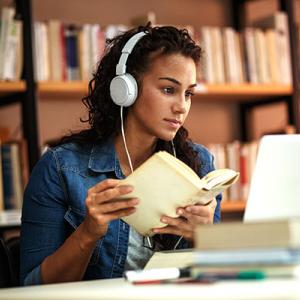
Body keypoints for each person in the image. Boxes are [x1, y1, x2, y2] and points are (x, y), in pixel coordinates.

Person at [20, 24, 221, 286]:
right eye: (168, 90)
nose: (181, 106)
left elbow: (216, 279)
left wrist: (205, 238)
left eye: (188, 93)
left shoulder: (200, 164)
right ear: (126, 89)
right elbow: (33, 287)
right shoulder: (60, 168)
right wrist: (88, 232)